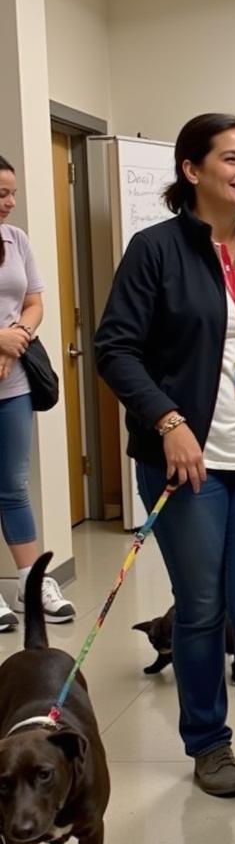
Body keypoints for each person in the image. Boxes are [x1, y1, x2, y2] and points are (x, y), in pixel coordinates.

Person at [94, 113, 235, 817]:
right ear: (192, 170)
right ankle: (208, 745)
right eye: (232, 158)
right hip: (188, 466)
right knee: (201, 608)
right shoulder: (154, 251)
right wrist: (168, 422)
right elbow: (116, 348)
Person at [0, 155, 76, 630]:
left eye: (11, 194)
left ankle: (32, 584)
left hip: (15, 385)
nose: (9, 203)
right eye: (0, 195)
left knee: (13, 485)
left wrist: (18, 337)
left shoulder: (16, 240)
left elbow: (34, 300)